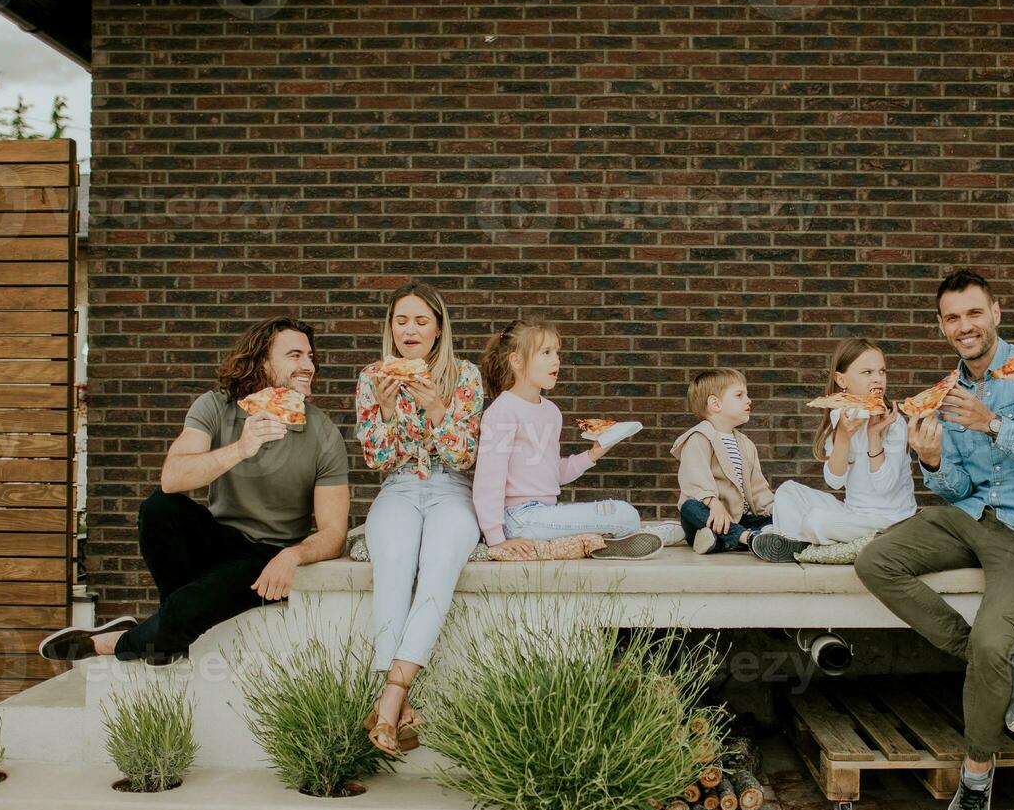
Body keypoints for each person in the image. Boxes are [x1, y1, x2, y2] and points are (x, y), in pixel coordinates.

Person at [854, 269, 1014, 810]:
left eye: (974, 313)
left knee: (988, 642)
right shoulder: (944, 393)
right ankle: (1002, 676)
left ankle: (977, 775)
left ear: (996, 313)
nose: (964, 327)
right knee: (875, 562)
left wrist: (995, 424)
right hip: (967, 515)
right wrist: (931, 462)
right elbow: (955, 487)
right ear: (942, 326)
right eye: (952, 318)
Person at [39, 317, 350, 664]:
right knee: (160, 508)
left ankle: (116, 642)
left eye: (310, 357)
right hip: (218, 539)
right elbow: (171, 478)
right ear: (263, 360)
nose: (308, 365)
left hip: (267, 556)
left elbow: (335, 532)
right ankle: (170, 629)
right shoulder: (217, 406)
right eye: (295, 355)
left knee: (189, 606)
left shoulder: (323, 434)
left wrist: (293, 556)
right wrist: (240, 448)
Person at [354, 282, 484, 757]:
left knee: (439, 567)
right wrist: (387, 411)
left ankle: (388, 701)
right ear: (390, 328)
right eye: (401, 320)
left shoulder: (465, 376)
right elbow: (378, 460)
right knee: (392, 566)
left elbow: (464, 455)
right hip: (399, 487)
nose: (410, 329)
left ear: (438, 329)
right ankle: (399, 708)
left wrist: (435, 407)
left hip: (452, 486)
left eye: (421, 321)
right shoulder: (373, 377)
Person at [472, 317, 663, 560]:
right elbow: (488, 479)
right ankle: (644, 536)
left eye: (557, 352)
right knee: (625, 515)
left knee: (624, 514)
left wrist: (593, 453)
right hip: (518, 519)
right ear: (516, 360)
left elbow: (555, 474)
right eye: (546, 352)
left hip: (546, 513)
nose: (556, 360)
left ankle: (596, 544)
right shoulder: (502, 412)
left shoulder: (551, 412)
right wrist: (495, 538)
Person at [759, 337, 916, 561]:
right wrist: (843, 435)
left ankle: (791, 542)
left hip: (890, 522)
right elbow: (835, 481)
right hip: (853, 514)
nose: (878, 379)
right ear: (842, 380)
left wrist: (873, 435)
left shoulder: (894, 423)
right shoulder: (840, 416)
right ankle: (790, 542)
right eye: (867, 372)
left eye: (882, 371)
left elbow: (884, 485)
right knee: (787, 491)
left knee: (816, 521)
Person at [671, 368, 775, 555]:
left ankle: (721, 542)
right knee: (690, 507)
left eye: (747, 394)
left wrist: (775, 510)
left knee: (780, 520)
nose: (748, 400)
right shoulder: (699, 438)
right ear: (715, 404)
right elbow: (695, 479)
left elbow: (758, 488)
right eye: (739, 395)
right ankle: (748, 539)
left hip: (738, 518)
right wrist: (713, 503)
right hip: (707, 515)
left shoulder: (746, 444)